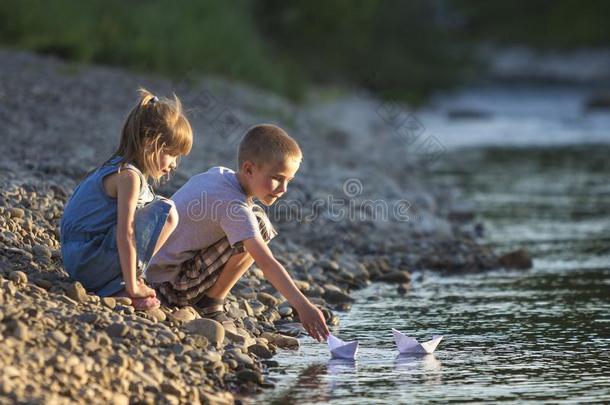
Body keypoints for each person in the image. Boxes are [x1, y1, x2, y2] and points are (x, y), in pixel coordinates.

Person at [146, 124, 329, 341]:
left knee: (253, 218)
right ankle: (211, 303)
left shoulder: (220, 175)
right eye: (278, 178)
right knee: (258, 224)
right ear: (249, 169)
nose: (283, 189)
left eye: (288, 180)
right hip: (167, 286)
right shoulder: (234, 206)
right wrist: (303, 306)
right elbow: (266, 262)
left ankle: (209, 299)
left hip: (152, 271)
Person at [60, 88, 193, 310]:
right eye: (172, 153)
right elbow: (126, 232)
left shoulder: (118, 167)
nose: (174, 164)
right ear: (151, 143)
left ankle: (119, 280)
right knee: (167, 212)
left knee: (156, 204)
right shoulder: (129, 177)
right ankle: (122, 284)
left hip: (78, 255)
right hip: (87, 260)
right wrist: (133, 286)